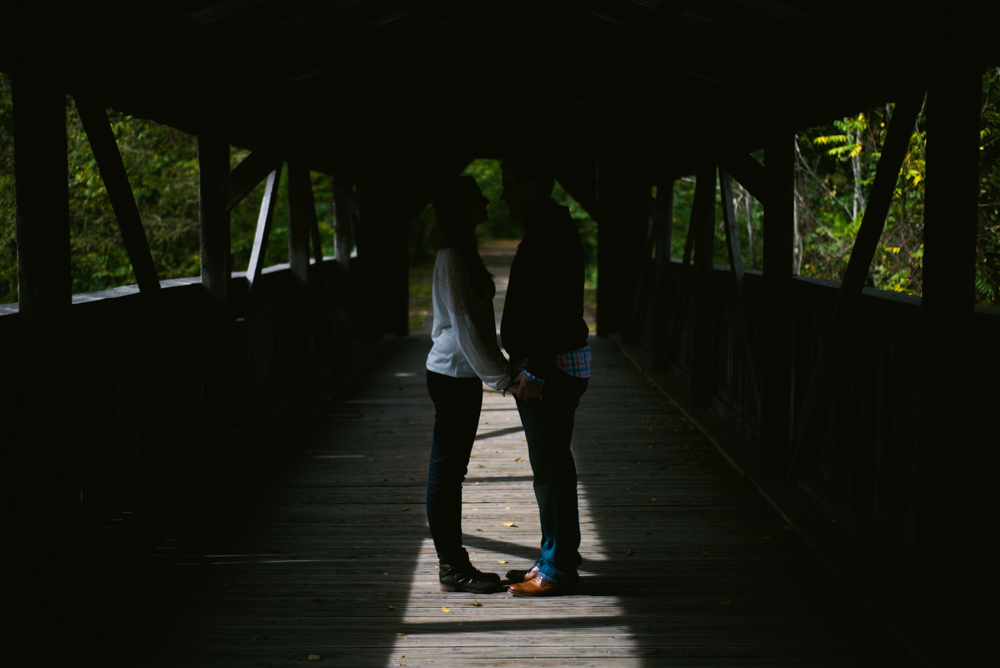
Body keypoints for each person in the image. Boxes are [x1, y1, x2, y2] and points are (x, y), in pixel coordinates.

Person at [499, 156, 591, 597]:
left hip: (549, 369)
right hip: (548, 364)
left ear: (532, 185)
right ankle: (554, 556)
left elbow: (552, 309)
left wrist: (534, 368)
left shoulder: (549, 234)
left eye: (509, 184)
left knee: (551, 469)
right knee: (550, 466)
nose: (503, 194)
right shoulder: (550, 228)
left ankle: (557, 570)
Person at [425, 175, 521, 594]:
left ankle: (454, 563)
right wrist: (502, 377)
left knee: (451, 470)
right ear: (459, 206)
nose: (486, 199)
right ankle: (452, 567)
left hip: (459, 375)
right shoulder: (451, 256)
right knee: (446, 472)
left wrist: (497, 367)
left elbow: (472, 326)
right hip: (451, 375)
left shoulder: (463, 252)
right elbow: (462, 326)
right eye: (475, 196)